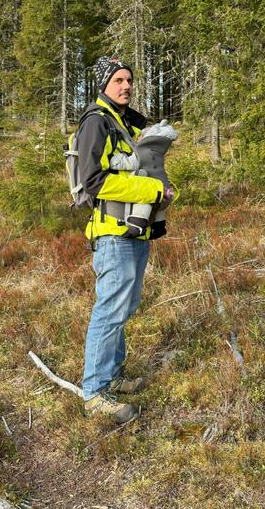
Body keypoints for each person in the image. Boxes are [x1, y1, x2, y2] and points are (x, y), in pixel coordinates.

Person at [77, 56, 174, 423]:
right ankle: (95, 391)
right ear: (104, 84)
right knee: (110, 309)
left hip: (134, 233)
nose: (126, 86)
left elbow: (138, 171)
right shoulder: (95, 123)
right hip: (112, 235)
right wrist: (150, 188)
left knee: (125, 307)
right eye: (118, 80)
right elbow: (93, 182)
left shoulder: (122, 124)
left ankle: (113, 376)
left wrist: (159, 190)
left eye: (129, 80)